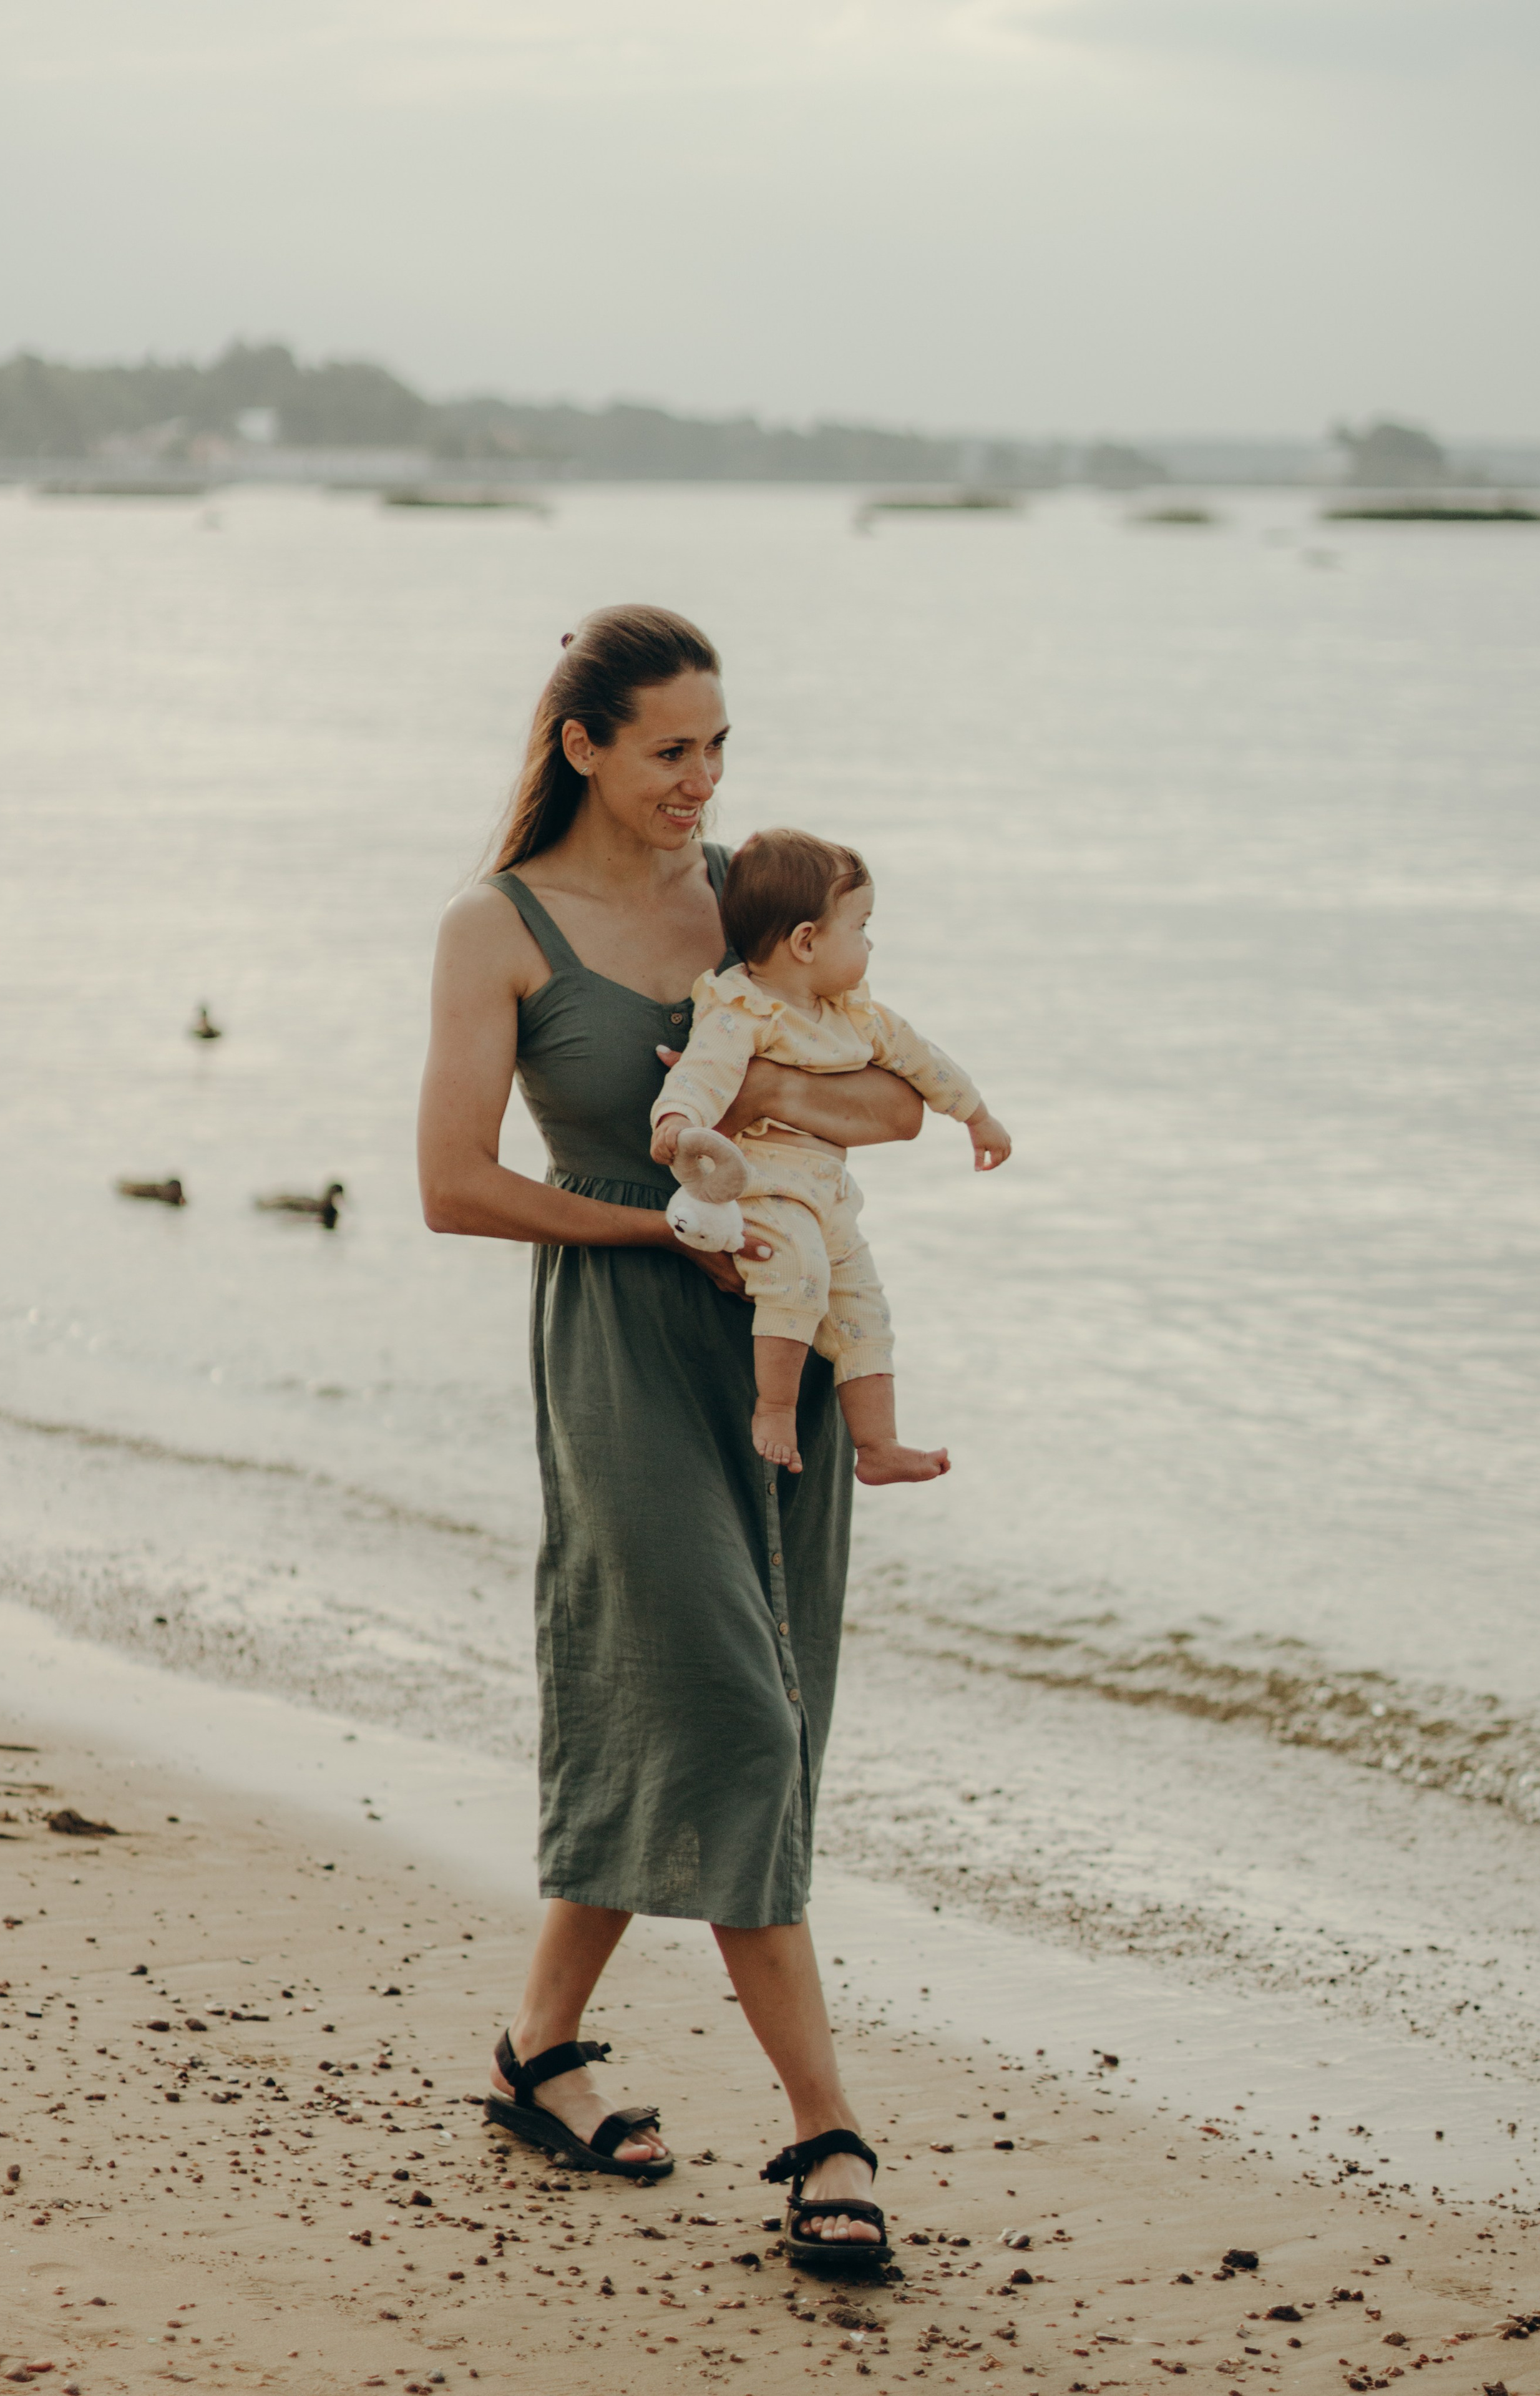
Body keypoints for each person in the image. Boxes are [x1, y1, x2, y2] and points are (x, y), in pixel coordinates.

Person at [416, 604, 924, 2256]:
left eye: (719, 747)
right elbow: (453, 1184)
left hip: (783, 1333)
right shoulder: (497, 928)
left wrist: (758, 1123)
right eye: (668, 751)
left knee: (725, 1704)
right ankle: (825, 2137)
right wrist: (662, 1226)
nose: (701, 781)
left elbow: (892, 1098)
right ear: (581, 746)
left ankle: (539, 2049)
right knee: (735, 1716)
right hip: (625, 1342)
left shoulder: (745, 904)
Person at [651, 827, 1011, 1479]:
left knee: (863, 1308)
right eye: (862, 926)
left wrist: (977, 1117)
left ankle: (876, 1446)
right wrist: (676, 1121)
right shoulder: (741, 1011)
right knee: (800, 1275)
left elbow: (924, 1063)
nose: (870, 943)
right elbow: (698, 1075)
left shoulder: (856, 1017)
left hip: (832, 1197)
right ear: (806, 942)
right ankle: (776, 1407)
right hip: (763, 1187)